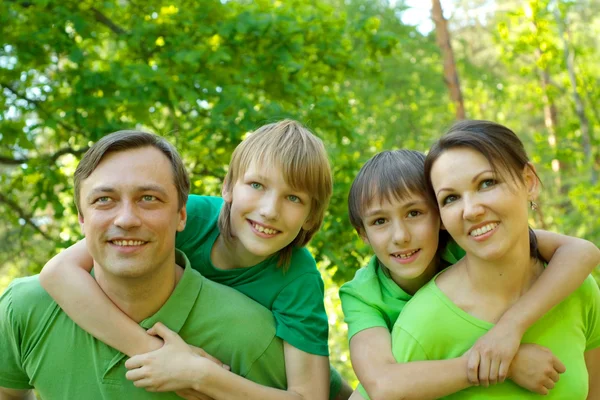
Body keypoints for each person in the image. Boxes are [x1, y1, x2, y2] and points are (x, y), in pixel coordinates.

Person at [39, 120, 351, 400]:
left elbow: (310, 395)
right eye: (256, 185)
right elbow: (58, 272)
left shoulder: (298, 277)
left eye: (293, 198)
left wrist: (200, 375)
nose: (270, 210)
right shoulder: (185, 217)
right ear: (227, 186)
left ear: (311, 216)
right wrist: (160, 356)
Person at [0, 131, 288, 399]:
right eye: (104, 200)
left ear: (181, 216)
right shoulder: (24, 308)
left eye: (148, 198)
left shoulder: (252, 337)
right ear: (82, 217)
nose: (126, 219)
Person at [340, 149, 600, 399]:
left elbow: (581, 251)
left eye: (414, 213)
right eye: (379, 221)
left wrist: (510, 327)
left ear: (441, 217)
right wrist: (503, 362)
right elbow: (382, 385)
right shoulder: (363, 294)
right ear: (363, 233)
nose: (401, 236)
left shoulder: (469, 244)